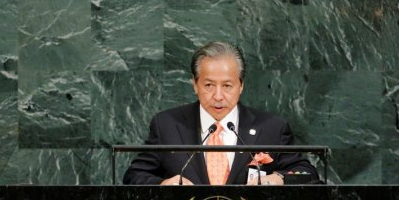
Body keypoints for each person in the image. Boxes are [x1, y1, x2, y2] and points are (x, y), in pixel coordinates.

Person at [123, 41, 318, 185]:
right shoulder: (167, 125)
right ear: (195, 85)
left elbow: (306, 173)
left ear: (241, 86)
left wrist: (279, 178)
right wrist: (163, 184)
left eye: (227, 85)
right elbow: (134, 176)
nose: (218, 96)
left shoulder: (271, 128)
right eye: (208, 85)